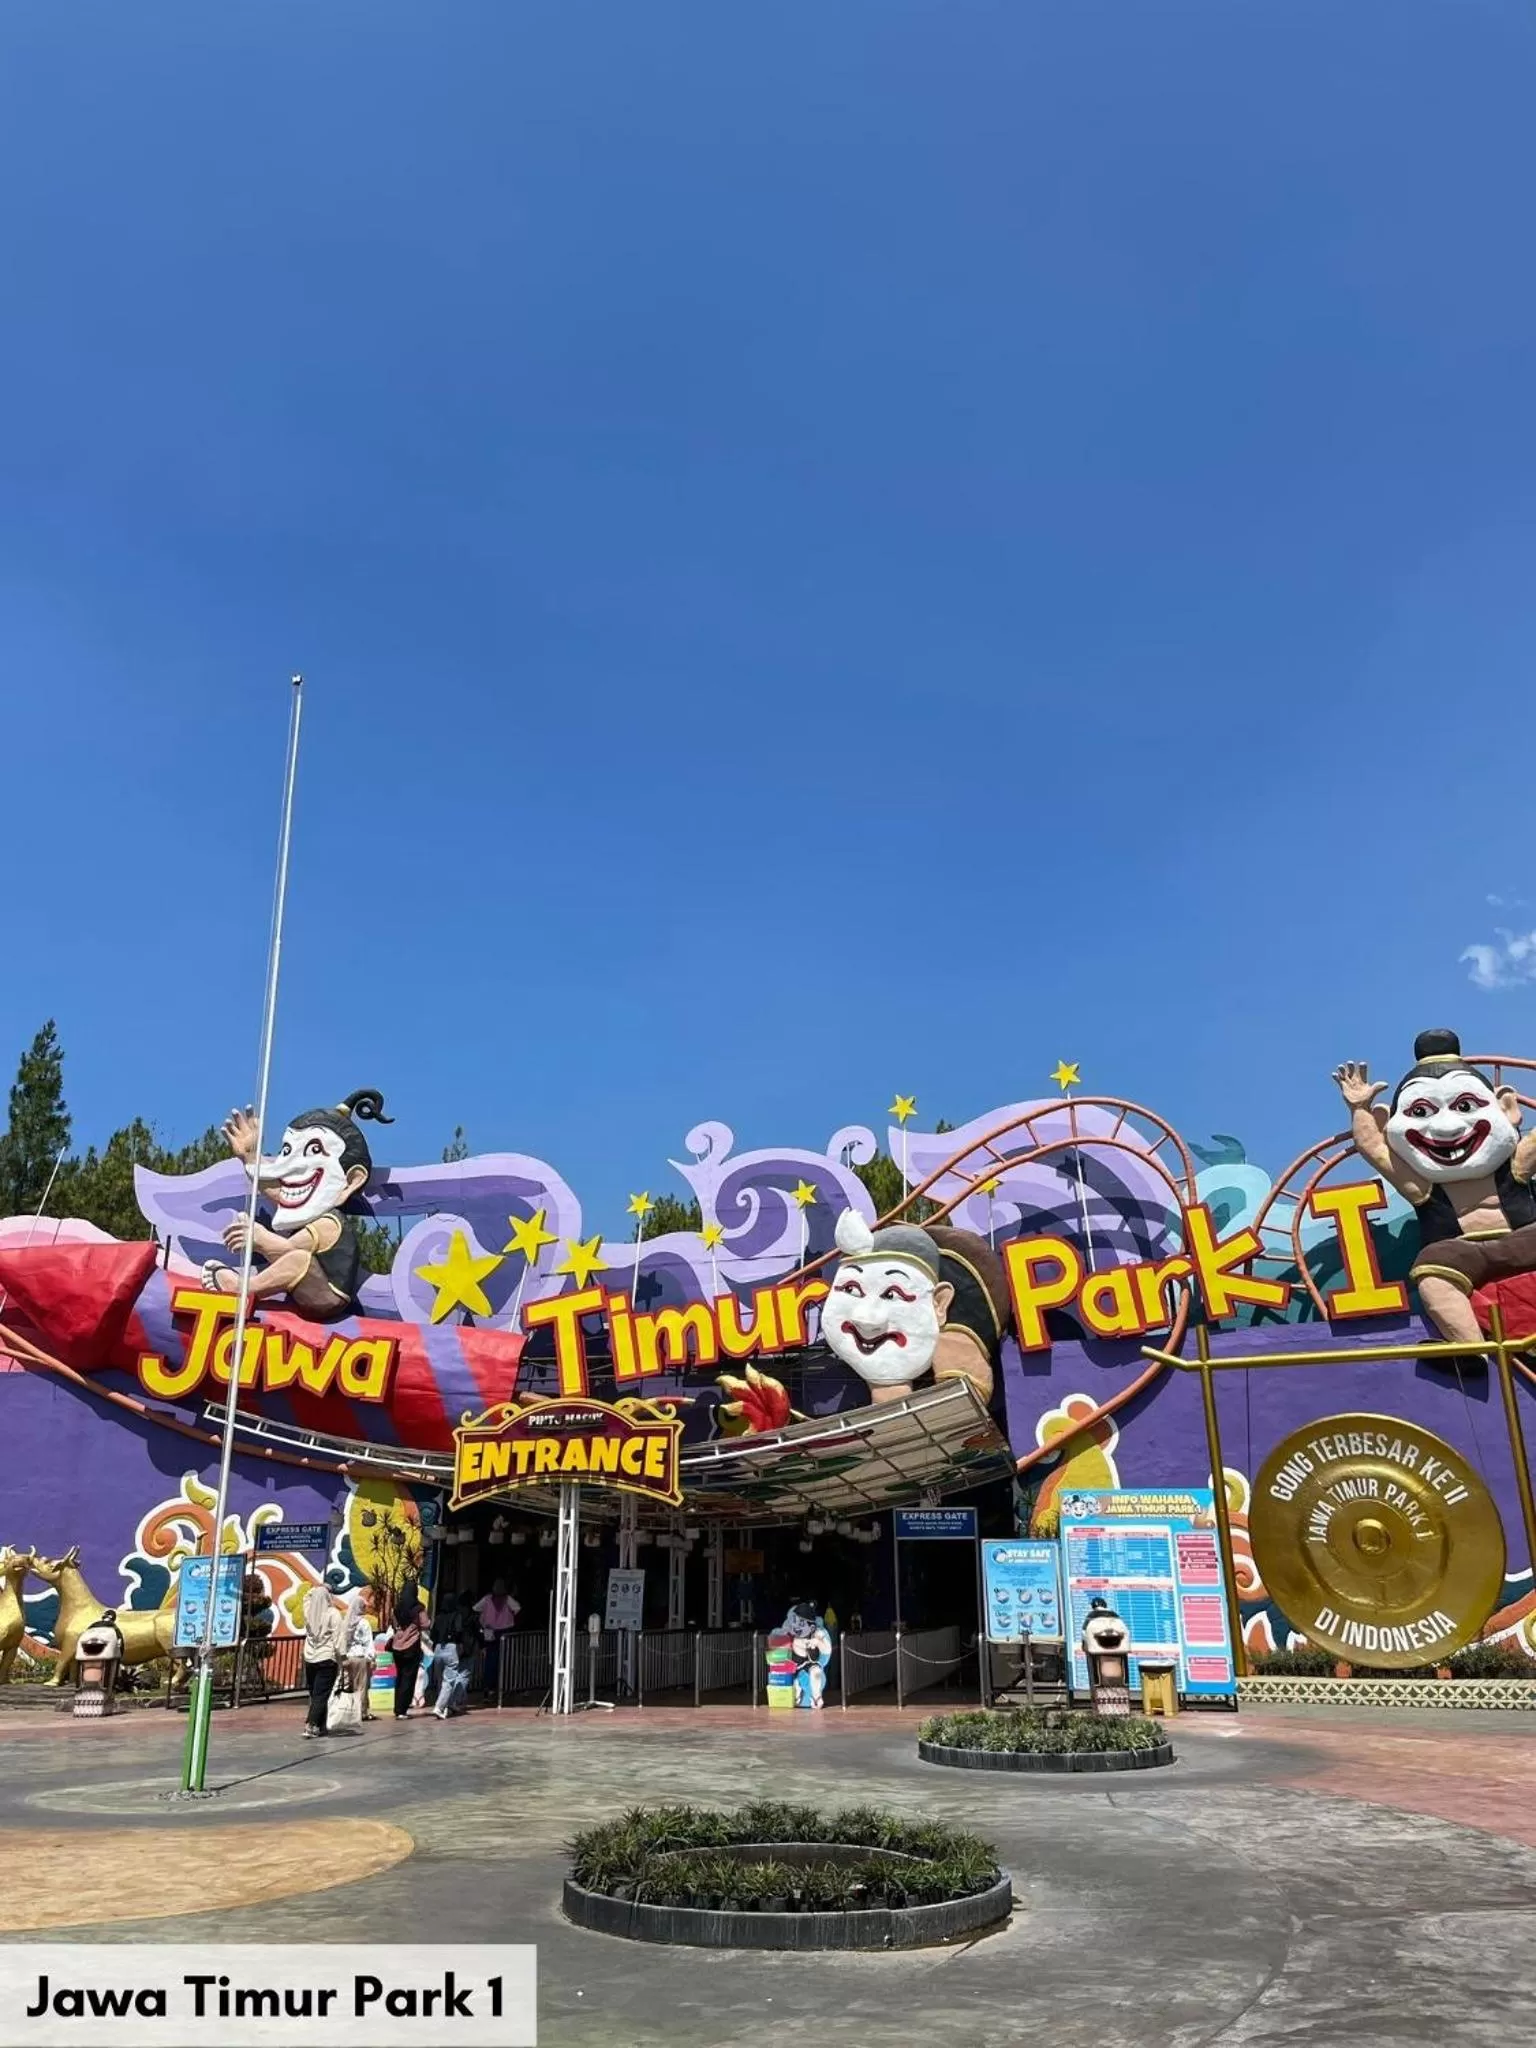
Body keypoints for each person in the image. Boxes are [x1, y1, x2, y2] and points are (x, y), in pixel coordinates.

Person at [301, 1585, 346, 1738]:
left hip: (310, 1657)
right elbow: (339, 1638)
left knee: (316, 1693)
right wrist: (343, 1657)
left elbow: (306, 1597)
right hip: (327, 1658)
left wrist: (317, 1589)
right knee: (321, 1694)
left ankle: (321, 1726)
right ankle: (311, 1724)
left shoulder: (309, 1611)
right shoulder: (333, 1613)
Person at [473, 1578, 521, 1697]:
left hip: (489, 1631)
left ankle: (488, 1686)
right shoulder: (507, 1599)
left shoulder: (487, 1599)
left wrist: (484, 1616)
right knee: (505, 1660)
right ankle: (502, 1686)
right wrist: (509, 1616)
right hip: (504, 1632)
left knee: (490, 1659)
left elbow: (475, 1608)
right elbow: (517, 1608)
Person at [391, 1582, 425, 1718]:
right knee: (408, 1678)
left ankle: (397, 1707)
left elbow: (394, 1624)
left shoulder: (397, 1608)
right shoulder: (418, 1608)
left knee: (400, 1676)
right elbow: (426, 1623)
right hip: (412, 1646)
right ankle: (402, 1709)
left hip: (397, 1646)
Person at [342, 1589, 376, 1720]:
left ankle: (347, 1710)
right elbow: (368, 1642)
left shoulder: (345, 1622)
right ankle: (362, 1712)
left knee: (348, 1685)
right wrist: (372, 1658)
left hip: (347, 1657)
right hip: (360, 1657)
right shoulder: (363, 1623)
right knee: (361, 1686)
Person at [433, 1635, 469, 1718]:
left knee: (440, 1680)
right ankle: (440, 1707)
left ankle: (444, 1705)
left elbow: (433, 1635)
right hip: (452, 1647)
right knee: (448, 1681)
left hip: (438, 1647)